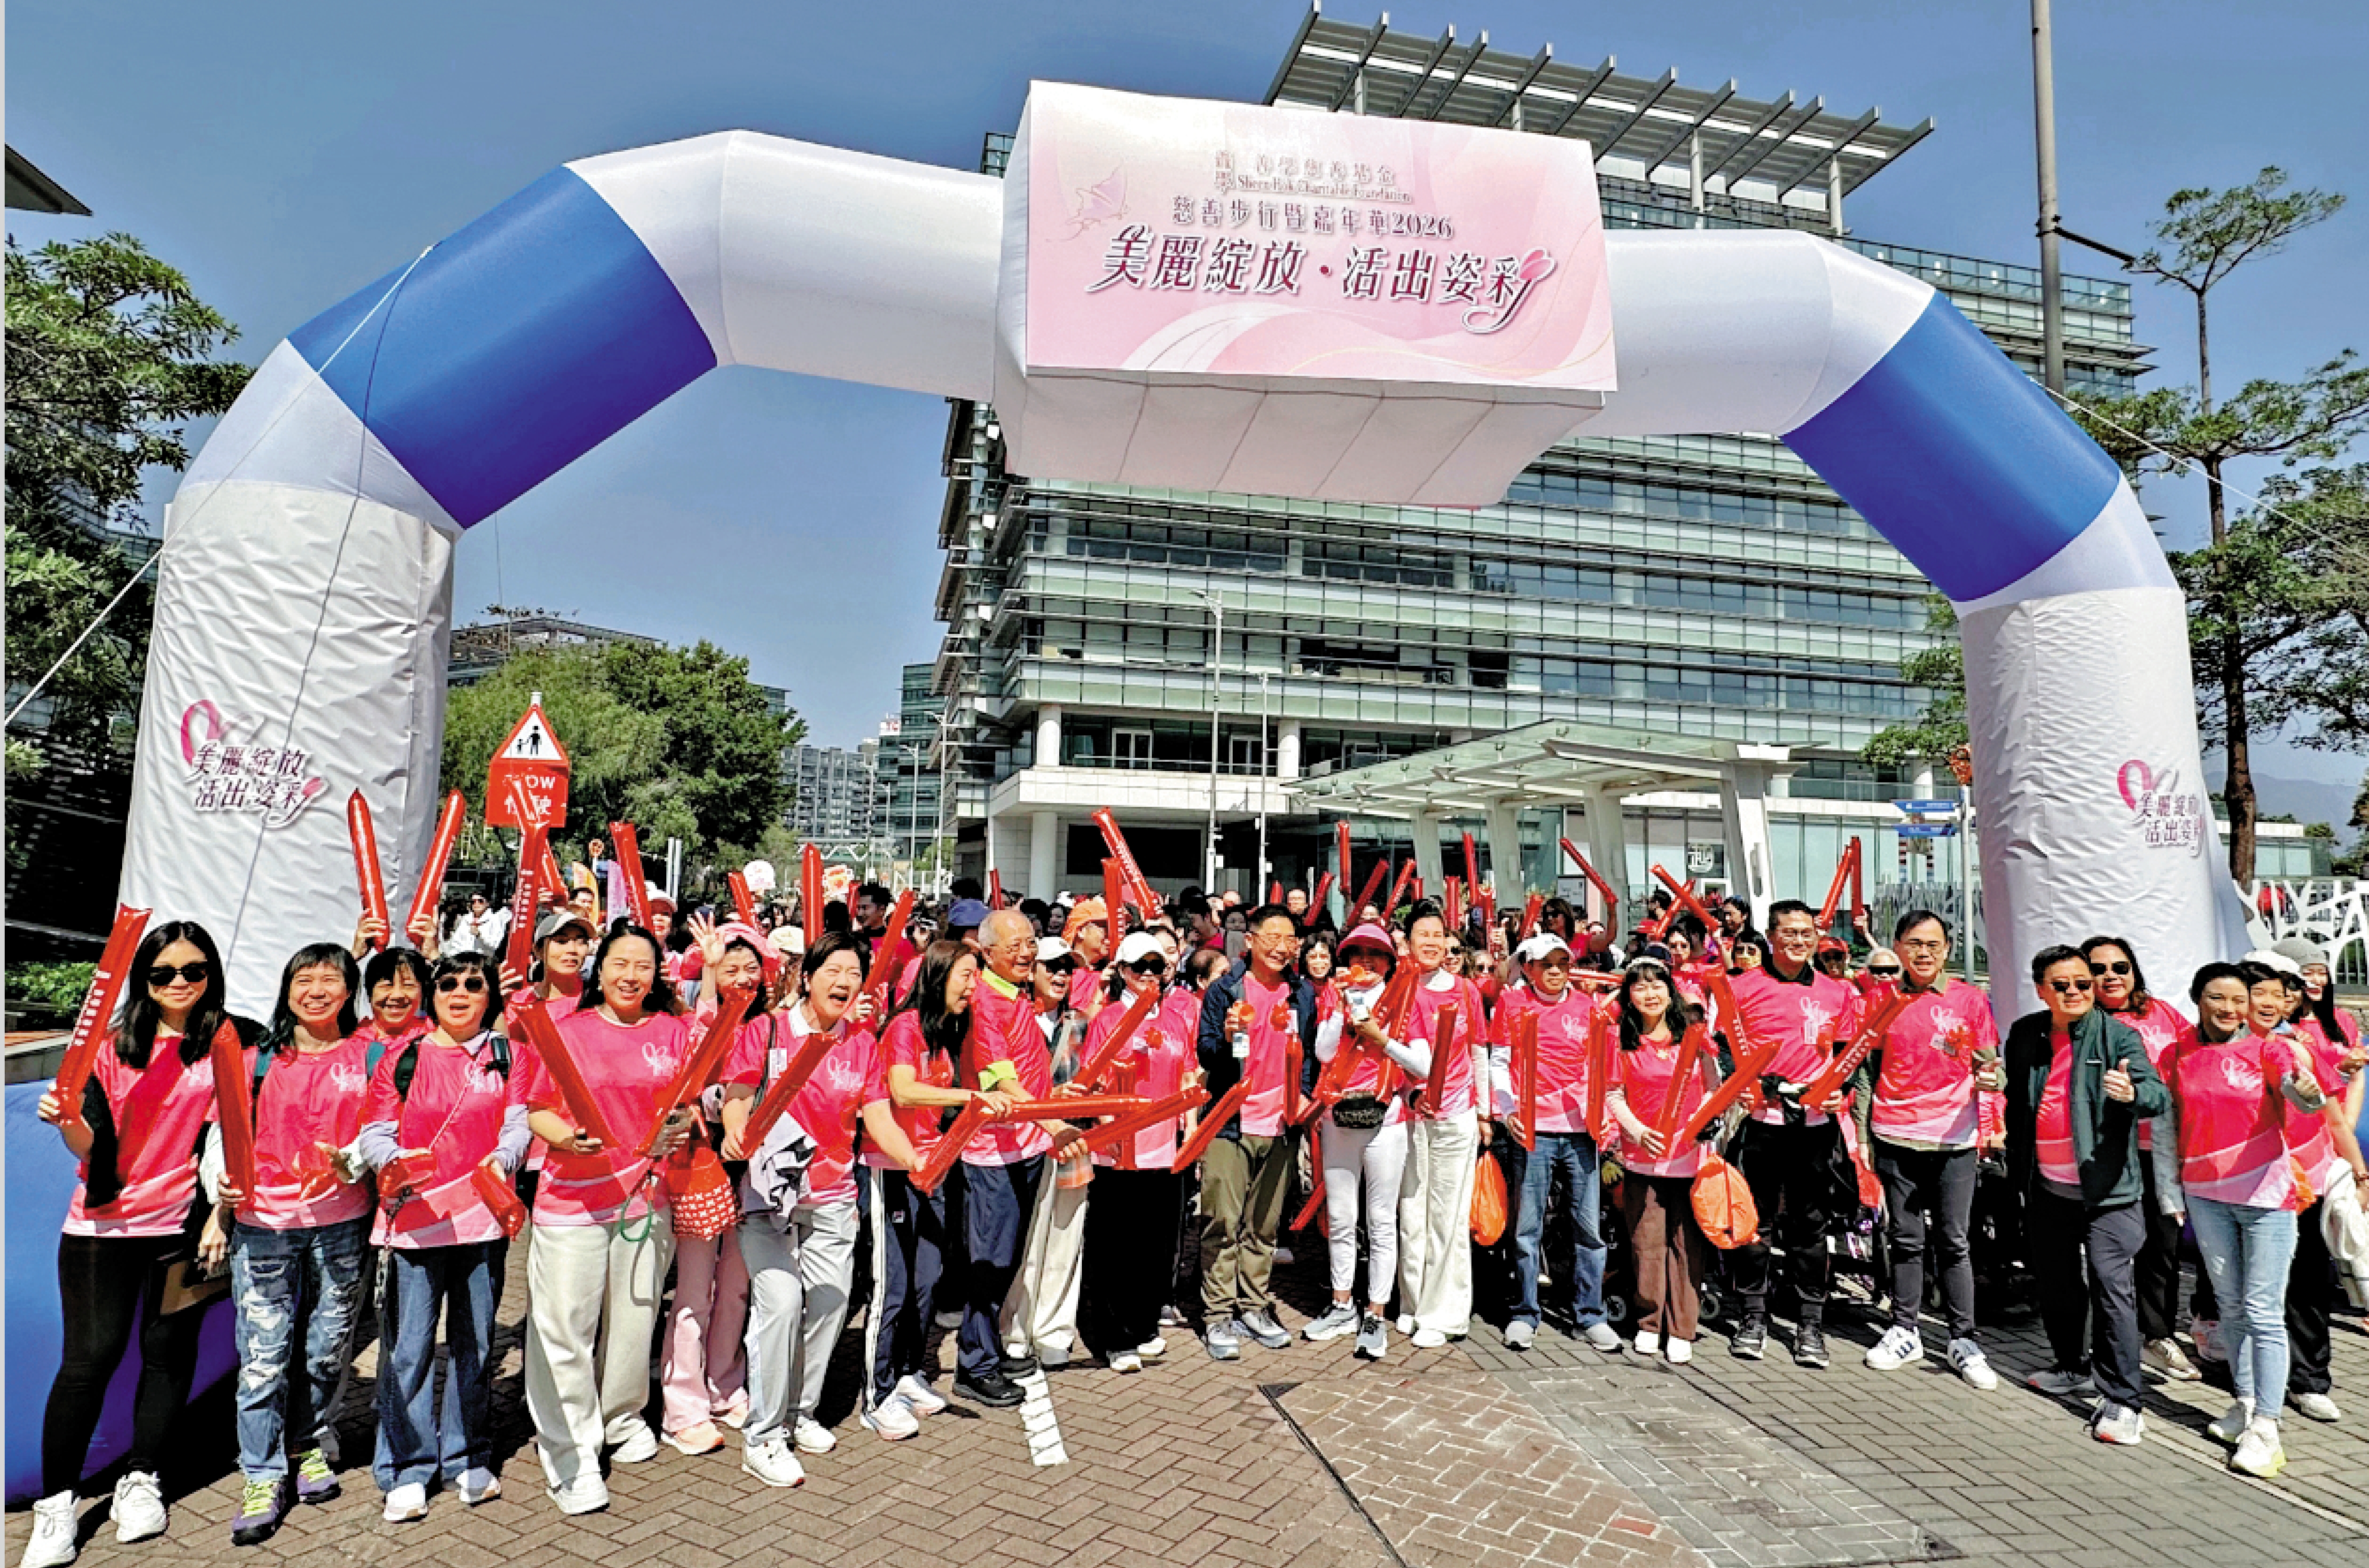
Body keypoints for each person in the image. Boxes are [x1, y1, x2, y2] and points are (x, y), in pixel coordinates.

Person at [26, 922, 261, 1568]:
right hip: (103, 1227)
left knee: (166, 1353)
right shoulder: (110, 1047)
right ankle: (56, 1507)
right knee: (89, 1361)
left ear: (211, 974)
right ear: (143, 979)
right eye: (163, 973)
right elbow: (90, 1148)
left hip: (184, 1223)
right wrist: (69, 1120)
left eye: (193, 971)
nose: (180, 984)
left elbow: (231, 1135)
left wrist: (222, 1217)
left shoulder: (228, 1043)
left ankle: (143, 1476)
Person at [203, 944, 375, 1545]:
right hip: (266, 1226)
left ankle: (307, 1444)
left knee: (327, 1350)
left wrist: (355, 1162)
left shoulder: (371, 1056)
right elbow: (224, 1135)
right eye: (306, 978)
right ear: (287, 988)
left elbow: (386, 1133)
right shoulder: (255, 1059)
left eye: (333, 978)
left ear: (350, 990)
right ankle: (260, 1472)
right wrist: (217, 1197)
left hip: (343, 1223)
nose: (318, 989)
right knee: (264, 1358)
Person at [521, 923, 692, 1515]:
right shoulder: (566, 1030)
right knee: (564, 1328)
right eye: (620, 963)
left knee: (634, 1320)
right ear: (599, 969)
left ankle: (620, 1416)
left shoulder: (674, 1031)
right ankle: (569, 1453)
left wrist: (681, 1126)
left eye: (643, 966)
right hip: (573, 1201)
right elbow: (537, 1109)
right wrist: (567, 1138)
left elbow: (687, 1103)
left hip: (645, 1199)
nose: (630, 976)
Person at [358, 951, 528, 1524]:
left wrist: (504, 1160)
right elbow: (374, 1133)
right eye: (448, 983)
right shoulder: (401, 1058)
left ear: (489, 995)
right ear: (432, 994)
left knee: (474, 1343)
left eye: (473, 984)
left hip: (480, 1224)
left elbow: (517, 1123)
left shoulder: (510, 1056)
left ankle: (467, 1453)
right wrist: (395, 1159)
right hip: (413, 1224)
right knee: (407, 1350)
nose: (460, 992)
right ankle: (407, 1466)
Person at [718, 930, 878, 1482]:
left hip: (833, 1199)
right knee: (782, 1304)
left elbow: (874, 1114)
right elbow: (737, 1094)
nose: (844, 982)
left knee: (831, 1306)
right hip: (769, 1198)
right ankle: (762, 1436)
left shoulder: (861, 1041)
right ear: (806, 977)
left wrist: (924, 1161)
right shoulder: (764, 1032)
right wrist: (738, 1131)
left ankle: (798, 1412)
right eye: (833, 970)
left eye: (854, 973)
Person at [2153, 961, 2322, 1476]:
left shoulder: (2269, 1048)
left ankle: (2267, 1427)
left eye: (2237, 1000)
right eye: (2216, 998)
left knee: (2262, 1308)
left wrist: (2307, 1084)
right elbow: (2166, 1125)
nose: (2228, 1009)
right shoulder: (2177, 1051)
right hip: (2205, 1195)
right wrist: (2169, 1192)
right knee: (2229, 1305)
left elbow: (2301, 1098)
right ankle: (2246, 1404)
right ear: (2197, 998)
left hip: (2266, 1195)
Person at [2003, 944, 2169, 1445]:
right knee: (2056, 1283)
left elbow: (2157, 1095)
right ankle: (2072, 1365)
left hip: (2107, 1191)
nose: (2075, 991)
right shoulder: (2025, 1033)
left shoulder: (2118, 1035)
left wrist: (2133, 1095)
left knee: (2109, 1286)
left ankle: (2123, 1400)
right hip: (2047, 1187)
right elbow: (2018, 1102)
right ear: (2041, 990)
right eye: (2062, 984)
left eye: (2082, 981)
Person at [1858, 911, 2001, 1390]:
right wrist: (1862, 1136)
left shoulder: (1969, 999)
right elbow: (1865, 1071)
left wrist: (1991, 1089)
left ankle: (1963, 1338)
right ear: (1897, 947)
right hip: (1894, 1133)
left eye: (1934, 944)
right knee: (1904, 1236)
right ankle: (1904, 1328)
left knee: (1954, 1239)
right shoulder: (1880, 999)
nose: (1924, 952)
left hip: (1953, 1137)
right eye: (1914, 943)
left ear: (1947, 949)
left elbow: (1991, 1067)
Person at [1722, 899, 1862, 1369]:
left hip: (1814, 1129)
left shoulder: (1836, 992)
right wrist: (1742, 1086)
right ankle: (1753, 1316)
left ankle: (1809, 1325)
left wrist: (1835, 1093)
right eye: (1789, 932)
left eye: (1807, 932)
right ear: (1770, 935)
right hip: (1762, 1125)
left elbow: (1846, 1058)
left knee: (1810, 1228)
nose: (1799, 941)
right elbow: (1721, 1050)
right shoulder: (1741, 988)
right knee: (1753, 1225)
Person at [864, 941, 989, 1436]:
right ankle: (877, 1392)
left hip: (931, 1168)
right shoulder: (905, 1026)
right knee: (892, 1287)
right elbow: (902, 1090)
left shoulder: (944, 1032)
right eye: (965, 975)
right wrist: (970, 1096)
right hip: (893, 1166)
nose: (972, 985)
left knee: (927, 1280)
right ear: (938, 975)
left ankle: (908, 1372)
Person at [657, 923, 769, 1458]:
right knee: (694, 1293)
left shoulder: (771, 1027)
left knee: (736, 1290)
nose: (744, 978)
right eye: (732, 968)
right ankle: (683, 1405)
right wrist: (706, 973)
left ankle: (725, 1384)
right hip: (700, 1165)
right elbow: (694, 1061)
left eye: (753, 968)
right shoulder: (692, 1023)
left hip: (757, 1173)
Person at [951, 910, 1071, 1408]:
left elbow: (1029, 1072)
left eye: (1031, 941)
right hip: (991, 1152)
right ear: (987, 952)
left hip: (1023, 1145)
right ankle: (973, 1364)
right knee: (990, 1261)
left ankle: (990, 1348)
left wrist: (1060, 1100)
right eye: (1015, 945)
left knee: (1008, 1259)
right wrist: (1054, 1124)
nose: (1027, 952)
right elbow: (1001, 1080)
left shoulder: (1016, 995)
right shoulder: (984, 1002)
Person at [1488, 933, 1621, 1354]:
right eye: (1545, 964)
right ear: (1527, 967)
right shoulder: (1511, 1004)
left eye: (1562, 963)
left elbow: (1601, 1065)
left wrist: (1603, 1115)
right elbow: (1498, 1059)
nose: (1555, 971)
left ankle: (1590, 1315)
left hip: (1581, 1131)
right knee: (1528, 1228)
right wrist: (1507, 1110)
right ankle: (1524, 1313)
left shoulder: (1588, 1007)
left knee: (1587, 1228)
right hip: (1533, 1131)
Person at [1194, 905, 1315, 1359]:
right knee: (1222, 1221)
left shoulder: (1301, 994)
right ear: (1251, 941)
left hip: (1282, 1123)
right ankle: (1217, 1313)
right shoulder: (1225, 990)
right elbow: (1206, 1054)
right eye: (1273, 937)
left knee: (1263, 1225)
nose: (1282, 947)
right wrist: (1226, 1039)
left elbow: (1308, 1058)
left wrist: (1302, 1095)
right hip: (1231, 1122)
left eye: (1290, 940)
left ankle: (1254, 1305)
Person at [2081, 934, 2200, 1381]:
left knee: (2162, 1245)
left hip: (2161, 1149)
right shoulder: (2082, 1020)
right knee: (2108, 1250)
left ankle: (2157, 1335)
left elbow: (2193, 1061)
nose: (2110, 976)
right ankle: (2107, 1342)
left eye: (2120, 967)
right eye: (2099, 968)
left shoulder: (2160, 1012)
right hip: (2107, 1152)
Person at [1302, 923, 1423, 1361]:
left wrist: (1380, 1037)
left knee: (1380, 1220)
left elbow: (1422, 1064)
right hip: (1338, 1117)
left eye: (1376, 954)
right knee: (1340, 1216)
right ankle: (1341, 1305)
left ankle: (1374, 1312)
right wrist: (1340, 1009)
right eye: (1357, 954)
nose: (1366, 963)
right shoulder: (1334, 998)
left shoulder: (1408, 1001)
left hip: (1386, 1118)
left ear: (1391, 962)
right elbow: (1323, 1052)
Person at [1081, 933, 1197, 1371]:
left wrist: (1191, 1127)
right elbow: (1090, 1081)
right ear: (1123, 971)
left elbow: (1186, 1071)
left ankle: (1144, 1324)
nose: (1148, 973)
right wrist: (1107, 1124)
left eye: (1156, 965)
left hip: (1162, 1148)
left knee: (1155, 1243)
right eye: (1138, 966)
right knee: (1117, 1246)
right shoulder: (1108, 1018)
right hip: (1117, 1149)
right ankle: (1114, 1337)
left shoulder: (1173, 1019)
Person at [2267, 939, 2365, 1425]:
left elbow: (2336, 1114)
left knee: (2308, 1277)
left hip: (2309, 1175)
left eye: (2287, 988)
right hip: (2248, 1183)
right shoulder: (2233, 1045)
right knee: (2256, 1286)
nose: (2280, 998)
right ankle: (2255, 1383)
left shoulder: (2309, 1044)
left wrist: (2358, 1173)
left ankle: (2308, 1380)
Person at [1605, 958, 1717, 1363]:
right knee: (1646, 1242)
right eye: (1639, 987)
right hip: (1642, 1159)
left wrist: (1701, 1122)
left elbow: (1712, 1087)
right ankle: (1649, 1321)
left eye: (1656, 985)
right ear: (1628, 997)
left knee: (1686, 1245)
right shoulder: (1622, 1041)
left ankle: (1682, 1327)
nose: (1649, 993)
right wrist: (1637, 1131)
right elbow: (1613, 1093)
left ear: (1669, 990)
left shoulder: (1693, 1037)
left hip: (1688, 1159)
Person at [1394, 901, 1488, 1348]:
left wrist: (1485, 1111)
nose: (1430, 944)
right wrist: (1410, 1093)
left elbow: (1478, 1052)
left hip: (1457, 1114)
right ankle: (1412, 1302)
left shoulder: (1467, 990)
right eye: (1421, 936)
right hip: (1410, 1116)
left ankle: (1445, 1312)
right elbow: (1387, 1056)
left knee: (1448, 1218)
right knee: (1412, 1213)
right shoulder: (1401, 988)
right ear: (1408, 942)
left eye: (1437, 935)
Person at [1004, 936, 1092, 1368]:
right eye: (1051, 966)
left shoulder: (1080, 1023)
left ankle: (1055, 1328)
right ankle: (1016, 1328)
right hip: (1024, 1143)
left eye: (1067, 967)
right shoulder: (1014, 1019)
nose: (1060, 974)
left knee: (1065, 1237)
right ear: (1030, 972)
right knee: (1026, 1240)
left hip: (1073, 1139)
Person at [355, 945, 434, 1075]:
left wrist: (436, 957)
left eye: (409, 986)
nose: (397, 995)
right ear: (370, 993)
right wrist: (354, 956)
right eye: (387, 986)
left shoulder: (436, 1035)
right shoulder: (349, 1037)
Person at [445, 892, 508, 959]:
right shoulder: (466, 920)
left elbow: (494, 945)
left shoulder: (495, 920)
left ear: (487, 903)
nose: (476, 904)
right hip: (463, 959)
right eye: (473, 902)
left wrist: (480, 935)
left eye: (480, 901)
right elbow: (456, 942)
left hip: (484, 960)